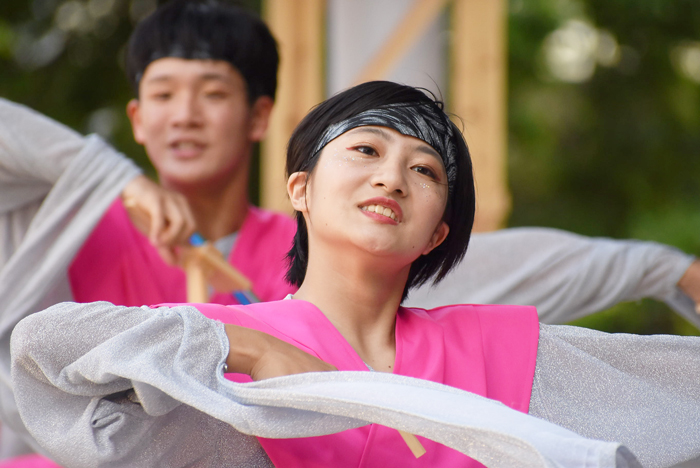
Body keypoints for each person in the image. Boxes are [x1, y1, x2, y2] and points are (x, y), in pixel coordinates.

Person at [10, 81, 700, 468]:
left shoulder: (503, 352)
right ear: (301, 190)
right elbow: (42, 349)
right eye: (366, 149)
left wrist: (670, 269)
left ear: (439, 231)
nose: (390, 176)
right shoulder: (214, 353)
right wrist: (252, 347)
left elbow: (676, 390)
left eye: (424, 170)